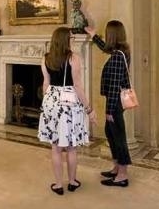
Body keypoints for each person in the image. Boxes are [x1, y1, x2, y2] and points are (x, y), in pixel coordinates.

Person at [38, 27, 97, 195]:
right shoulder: (73, 58)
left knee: (56, 147)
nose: (73, 39)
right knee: (71, 147)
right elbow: (77, 86)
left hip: (51, 102)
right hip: (69, 103)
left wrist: (48, 104)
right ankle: (72, 182)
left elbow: (46, 83)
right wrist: (89, 109)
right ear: (64, 40)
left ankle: (58, 184)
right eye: (71, 37)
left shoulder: (45, 58)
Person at [84, 20, 132, 187]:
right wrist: (93, 35)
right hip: (115, 101)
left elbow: (114, 87)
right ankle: (117, 168)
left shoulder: (118, 56)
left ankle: (123, 175)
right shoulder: (120, 51)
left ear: (112, 35)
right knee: (111, 133)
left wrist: (110, 111)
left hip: (115, 102)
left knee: (118, 137)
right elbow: (106, 48)